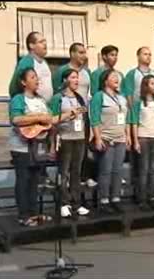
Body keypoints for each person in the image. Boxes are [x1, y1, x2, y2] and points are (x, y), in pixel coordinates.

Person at [9, 67, 74, 226]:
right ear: (23, 82)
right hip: (21, 147)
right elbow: (16, 119)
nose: (37, 80)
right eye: (32, 77)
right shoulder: (18, 99)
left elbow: (50, 120)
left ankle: (34, 213)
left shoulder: (42, 100)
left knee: (34, 181)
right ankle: (23, 215)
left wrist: (68, 115)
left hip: (38, 147)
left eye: (37, 77)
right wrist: (39, 117)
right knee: (23, 180)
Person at [122, 46, 154, 194]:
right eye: (145, 54)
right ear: (138, 56)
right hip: (140, 124)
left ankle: (150, 195)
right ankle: (138, 194)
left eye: (150, 54)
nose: (148, 56)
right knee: (140, 166)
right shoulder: (132, 74)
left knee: (152, 167)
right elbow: (128, 94)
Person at [52, 42, 97, 188]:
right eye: (81, 52)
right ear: (72, 54)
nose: (84, 55)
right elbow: (56, 91)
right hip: (66, 115)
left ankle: (83, 177)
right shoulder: (62, 70)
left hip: (82, 114)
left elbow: (91, 94)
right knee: (66, 153)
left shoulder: (87, 72)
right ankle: (64, 183)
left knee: (83, 148)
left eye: (85, 52)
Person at [89, 69, 131, 214]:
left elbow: (126, 118)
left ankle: (116, 198)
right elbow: (94, 119)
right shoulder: (99, 97)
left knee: (117, 171)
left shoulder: (122, 97)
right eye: (113, 77)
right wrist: (98, 138)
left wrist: (128, 136)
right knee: (105, 171)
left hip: (120, 139)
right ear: (105, 80)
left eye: (118, 77)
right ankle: (104, 200)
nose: (117, 79)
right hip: (106, 139)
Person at [50, 69, 90, 218]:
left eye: (77, 77)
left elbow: (85, 119)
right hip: (65, 139)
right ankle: (63, 203)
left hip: (79, 139)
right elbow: (52, 121)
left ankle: (76, 203)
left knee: (76, 172)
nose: (76, 80)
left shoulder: (80, 98)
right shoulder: (58, 98)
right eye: (73, 77)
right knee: (64, 173)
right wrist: (52, 145)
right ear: (65, 80)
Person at [129, 74, 154, 211]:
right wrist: (135, 141)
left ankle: (151, 197)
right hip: (143, 138)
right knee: (143, 169)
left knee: (153, 169)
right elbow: (134, 123)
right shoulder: (139, 103)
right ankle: (142, 199)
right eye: (152, 83)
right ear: (145, 85)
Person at [9, 32, 53, 104]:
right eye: (41, 42)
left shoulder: (44, 62)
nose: (45, 44)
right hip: (31, 107)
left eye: (45, 41)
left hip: (44, 107)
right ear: (31, 45)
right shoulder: (27, 62)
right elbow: (14, 87)